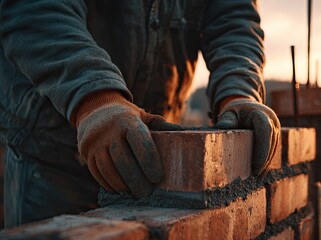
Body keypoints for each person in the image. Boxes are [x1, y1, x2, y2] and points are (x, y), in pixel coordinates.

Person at [0, 0, 281, 227]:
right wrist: (95, 100)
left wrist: (239, 93)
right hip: (55, 156)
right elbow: (36, 9)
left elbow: (234, 20)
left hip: (153, 157)